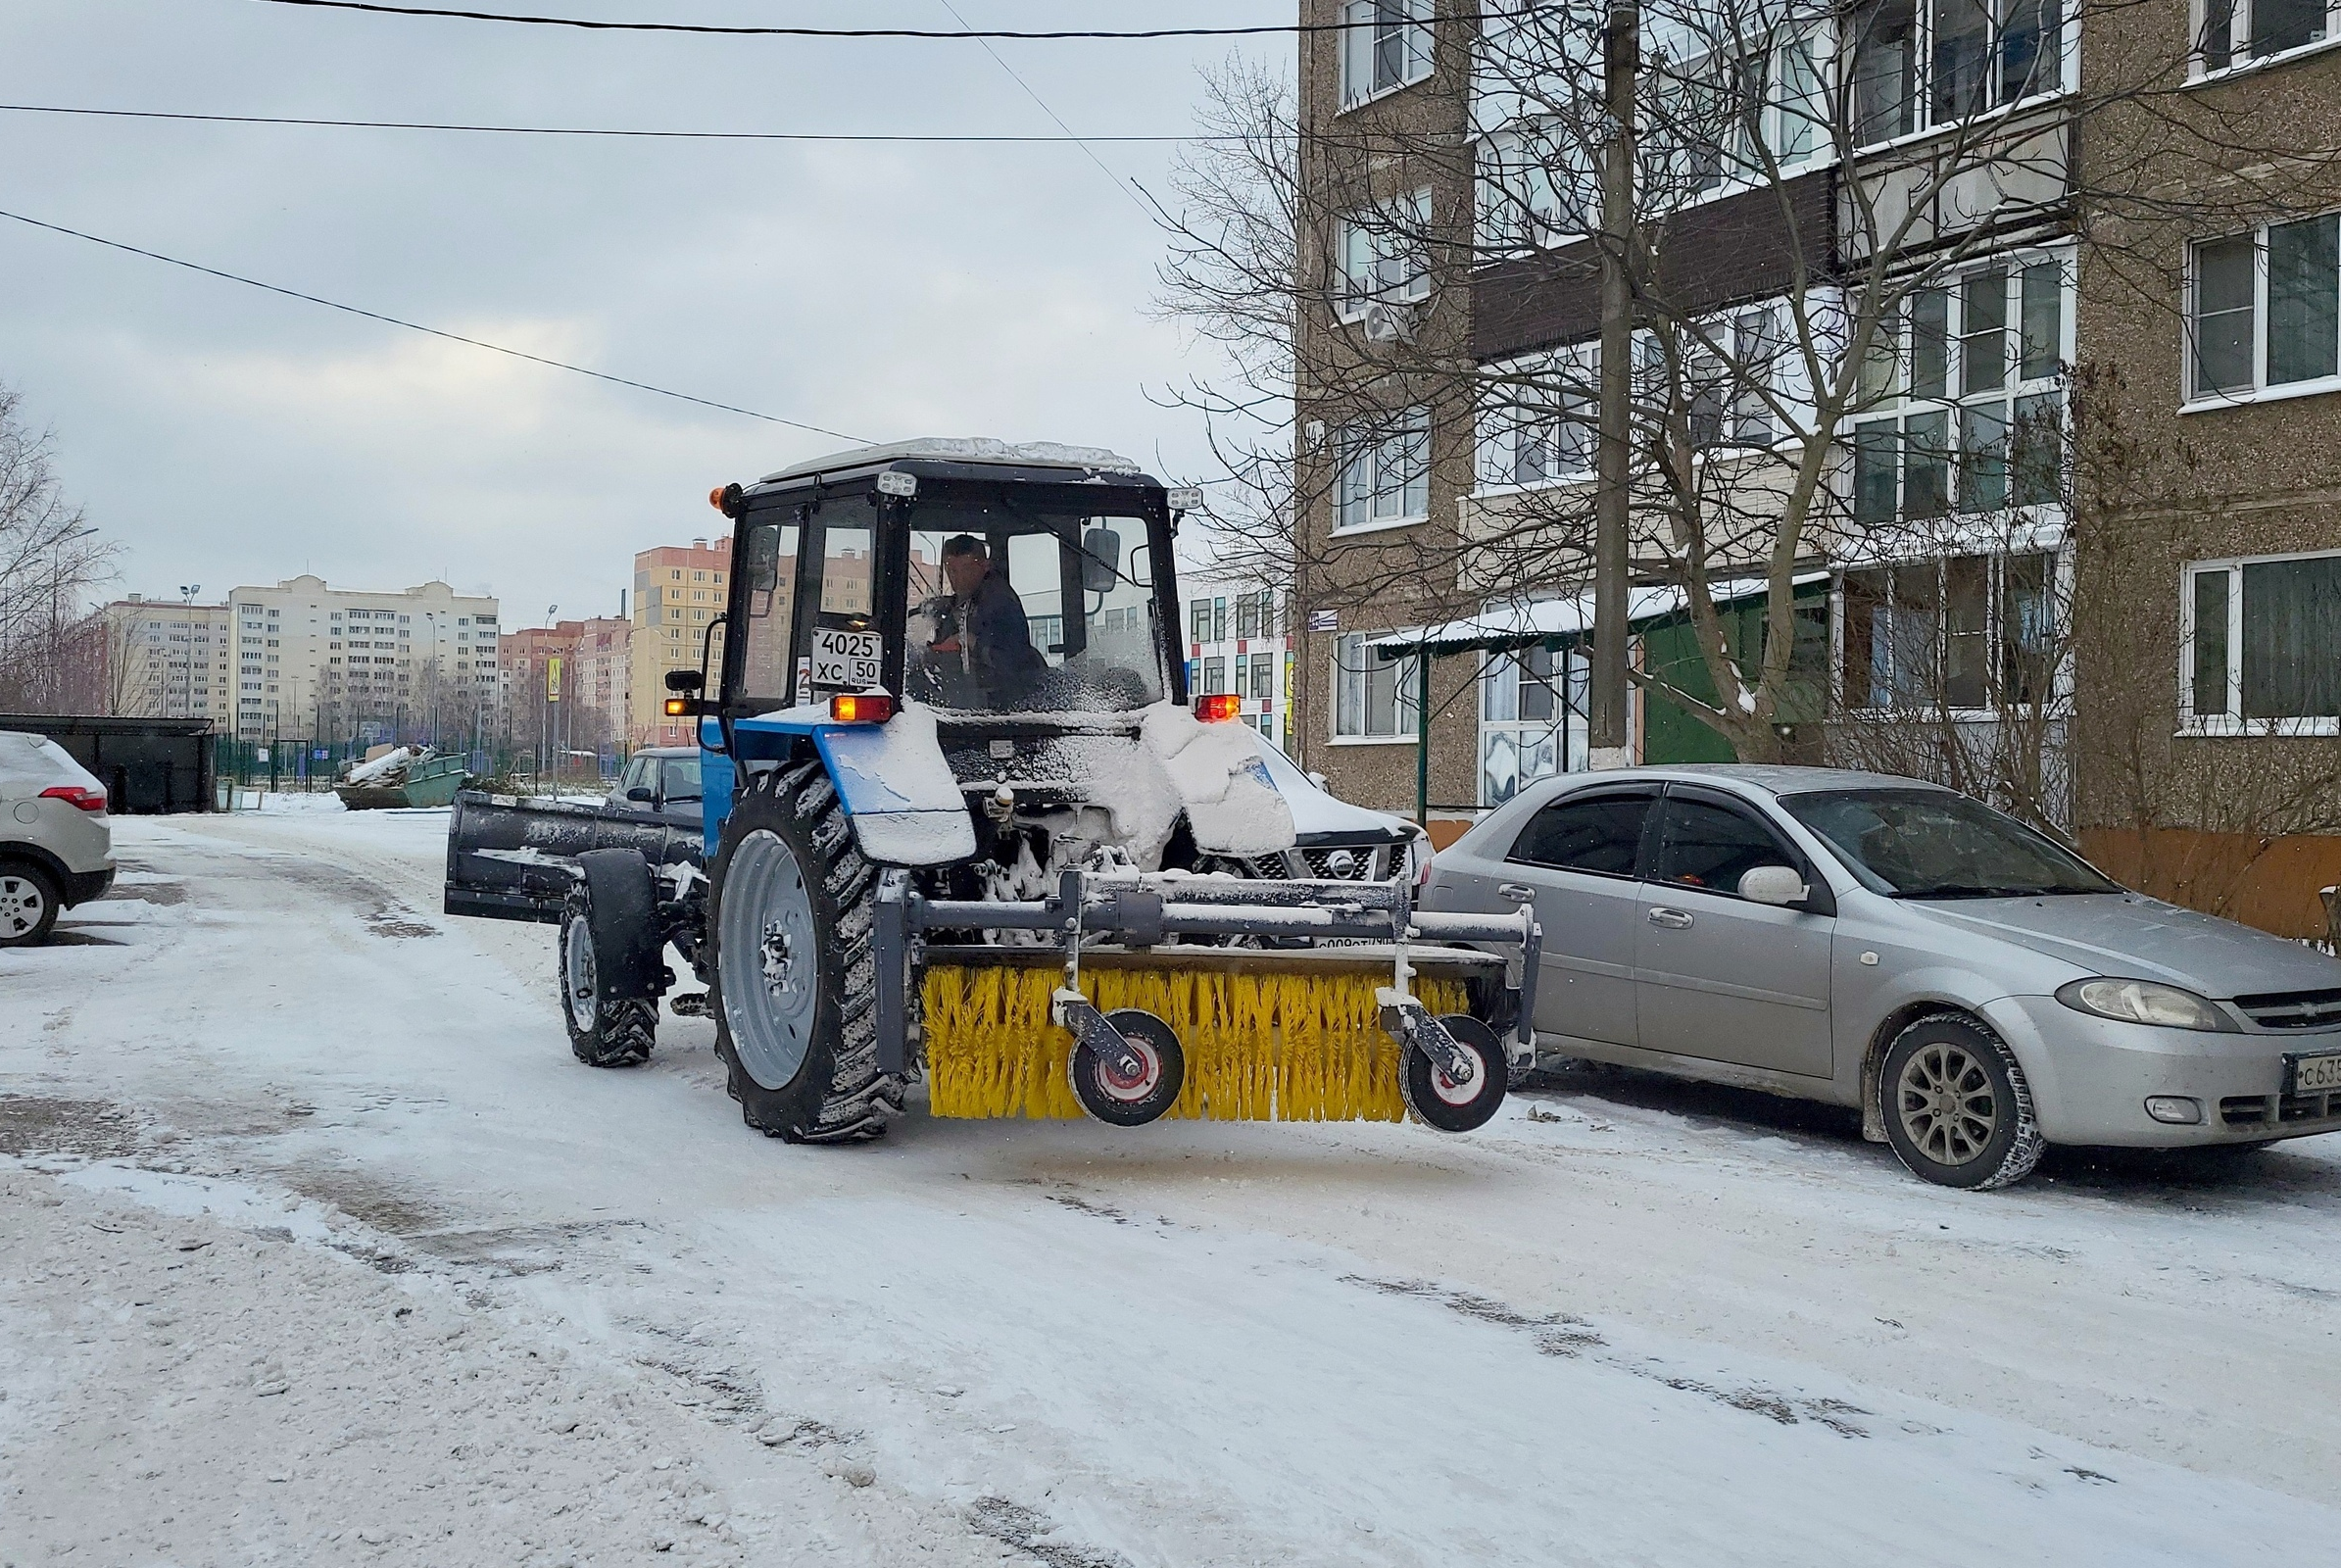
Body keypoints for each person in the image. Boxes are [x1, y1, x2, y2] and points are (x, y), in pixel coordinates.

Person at [924, 534, 1048, 707]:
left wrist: (972, 642)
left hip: (1004, 709)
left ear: (985, 566)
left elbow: (1014, 663)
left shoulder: (1000, 604)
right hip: (967, 700)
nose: (957, 577)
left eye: (967, 568)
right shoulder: (961, 602)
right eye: (951, 569)